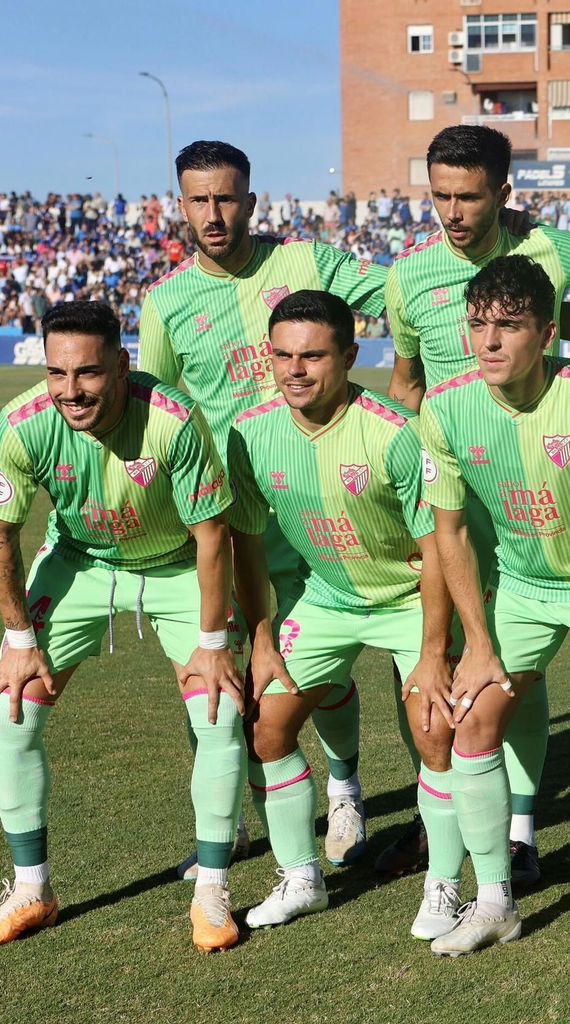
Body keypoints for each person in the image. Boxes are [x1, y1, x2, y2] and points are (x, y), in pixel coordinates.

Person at [139, 140, 390, 877]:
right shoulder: (167, 301)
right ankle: (230, 823)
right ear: (179, 205)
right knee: (221, 676)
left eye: (226, 199)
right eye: (198, 200)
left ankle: (345, 788)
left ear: (250, 201)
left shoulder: (308, 264)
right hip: (225, 515)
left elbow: (405, 296)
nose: (213, 215)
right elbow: (155, 409)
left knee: (323, 660)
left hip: (319, 498)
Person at [415, 256, 570, 967]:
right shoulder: (445, 407)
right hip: (523, 586)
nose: (489, 342)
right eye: (478, 325)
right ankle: (494, 903)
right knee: (470, 718)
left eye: (509, 326)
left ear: (547, 332)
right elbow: (452, 532)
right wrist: (475, 642)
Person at [0, 300, 245, 952]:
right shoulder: (22, 423)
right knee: (11, 713)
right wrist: (18, 641)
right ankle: (32, 891)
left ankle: (211, 889)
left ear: (122, 365)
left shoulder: (174, 420)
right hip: (80, 565)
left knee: (219, 711)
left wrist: (212, 646)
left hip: (179, 565)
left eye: (89, 373)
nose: (71, 390)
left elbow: (213, 535)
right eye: (58, 373)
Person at [384, 124, 570, 887]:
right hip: (450, 489)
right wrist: (428, 447)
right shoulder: (407, 277)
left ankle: (519, 828)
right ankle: (438, 806)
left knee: (513, 663)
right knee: (431, 652)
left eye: (468, 197)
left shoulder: (559, 254)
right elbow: (404, 380)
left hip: (539, 481)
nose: (452, 212)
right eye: (439, 196)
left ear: (504, 194)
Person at [224, 290, 459, 942]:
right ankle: (301, 877)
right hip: (326, 597)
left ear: (350, 356)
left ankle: (445, 883)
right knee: (266, 728)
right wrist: (263, 635)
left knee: (434, 727)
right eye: (282, 356)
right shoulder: (249, 432)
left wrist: (437, 647)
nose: (295, 370)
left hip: (409, 599)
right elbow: (245, 537)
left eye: (313, 356)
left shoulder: (394, 433)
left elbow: (440, 549)